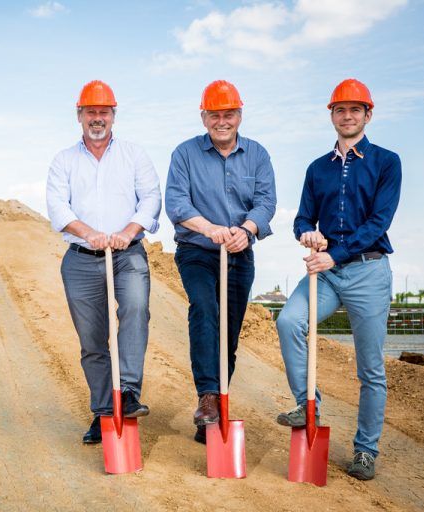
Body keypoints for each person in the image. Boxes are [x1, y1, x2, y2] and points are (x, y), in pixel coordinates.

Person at [275, 78, 401, 480]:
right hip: (325, 274)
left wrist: (335, 255)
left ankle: (365, 450)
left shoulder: (387, 162)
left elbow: (379, 221)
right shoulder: (316, 169)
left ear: (368, 114)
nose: (347, 116)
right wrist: (306, 234)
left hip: (368, 270)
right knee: (289, 321)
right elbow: (300, 218)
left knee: (370, 369)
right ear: (331, 115)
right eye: (339, 110)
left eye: (355, 109)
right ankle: (306, 404)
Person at [46, 80, 161, 444]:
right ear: (79, 115)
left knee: (135, 309)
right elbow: (57, 207)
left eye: (104, 112)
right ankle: (103, 411)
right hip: (81, 259)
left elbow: (151, 199)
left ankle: (126, 393)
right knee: (93, 341)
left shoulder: (134, 155)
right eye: (91, 112)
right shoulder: (63, 160)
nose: (98, 118)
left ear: (114, 115)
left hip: (127, 256)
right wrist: (89, 232)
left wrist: (128, 231)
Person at [165, 80, 277, 444]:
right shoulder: (184, 154)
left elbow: (266, 202)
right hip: (197, 250)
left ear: (239, 116)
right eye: (214, 115)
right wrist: (209, 228)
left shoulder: (258, 155)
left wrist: (246, 229)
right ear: (204, 117)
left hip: (240, 254)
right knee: (205, 310)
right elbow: (177, 204)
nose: (222, 121)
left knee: (227, 333)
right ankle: (208, 397)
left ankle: (212, 414)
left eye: (229, 114)